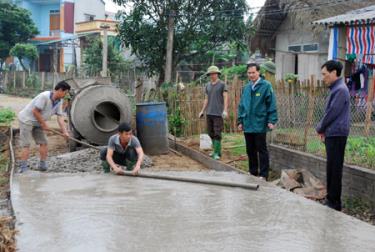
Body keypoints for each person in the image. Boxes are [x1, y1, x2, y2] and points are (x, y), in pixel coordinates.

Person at [316, 60, 350, 211]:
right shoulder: (336, 89)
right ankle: (331, 199)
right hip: (333, 133)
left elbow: (332, 113)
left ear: (334, 73)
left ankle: (334, 202)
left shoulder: (340, 90)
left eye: (325, 74)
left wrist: (320, 127)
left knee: (335, 169)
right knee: (331, 167)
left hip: (337, 134)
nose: (323, 77)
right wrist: (324, 130)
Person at [18, 81, 71, 173]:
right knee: (26, 144)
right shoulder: (44, 96)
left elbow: (60, 118)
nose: (65, 95)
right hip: (27, 120)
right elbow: (35, 111)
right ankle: (23, 167)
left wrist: (65, 131)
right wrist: (44, 124)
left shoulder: (59, 101)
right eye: (65, 92)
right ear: (59, 90)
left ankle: (42, 164)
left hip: (38, 122)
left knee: (43, 142)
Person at [237, 63, 278, 180]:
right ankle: (253, 172)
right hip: (248, 123)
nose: (251, 75)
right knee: (250, 149)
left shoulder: (266, 86)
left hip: (260, 122)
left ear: (258, 72)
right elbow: (241, 106)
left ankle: (264, 175)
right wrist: (240, 121)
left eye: (253, 72)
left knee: (261, 149)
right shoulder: (246, 88)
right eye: (249, 73)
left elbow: (272, 104)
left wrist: (272, 120)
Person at [199, 66, 228, 160]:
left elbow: (226, 97)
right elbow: (206, 99)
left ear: (217, 74)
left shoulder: (222, 84)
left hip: (218, 113)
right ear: (209, 75)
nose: (213, 75)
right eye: (211, 74)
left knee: (217, 133)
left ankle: (216, 153)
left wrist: (225, 110)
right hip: (209, 112)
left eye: (214, 73)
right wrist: (202, 110)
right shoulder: (208, 85)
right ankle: (217, 151)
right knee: (210, 132)